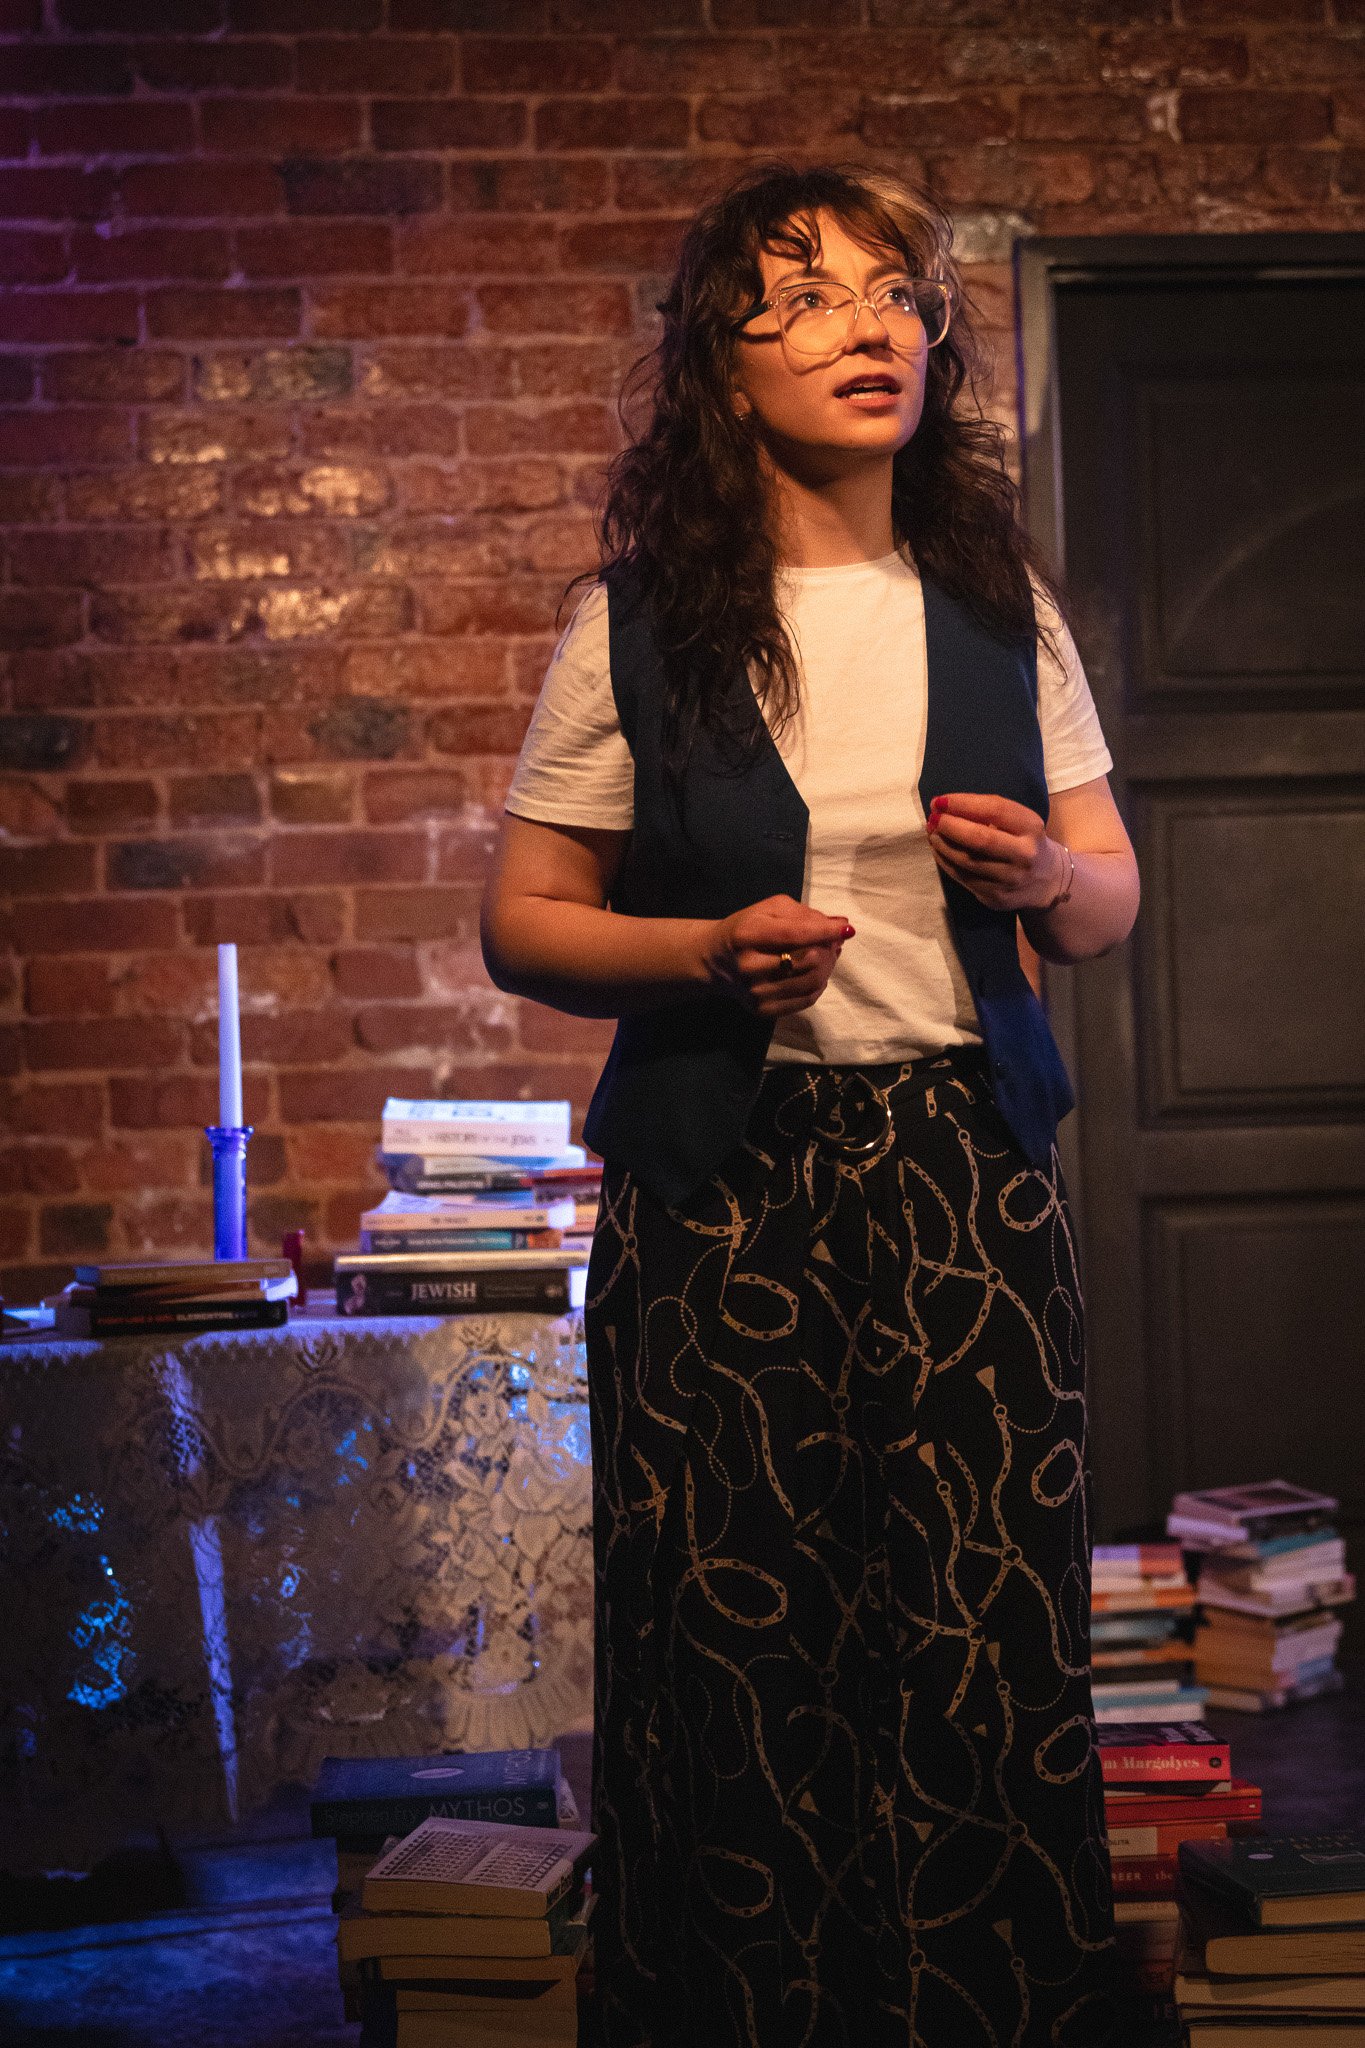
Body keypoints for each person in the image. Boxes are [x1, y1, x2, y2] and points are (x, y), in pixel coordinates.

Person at [481, 161, 1139, 2048]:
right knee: (735, 1649)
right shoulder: (633, 624)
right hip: (723, 1188)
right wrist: (697, 955)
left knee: (976, 1642)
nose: (868, 324)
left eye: (894, 295)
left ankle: (983, 2012)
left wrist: (1036, 887)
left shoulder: (997, 605)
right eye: (806, 294)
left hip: (959, 1182)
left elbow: (1107, 896)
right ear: (718, 356)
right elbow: (522, 924)